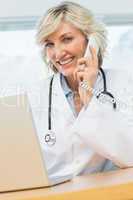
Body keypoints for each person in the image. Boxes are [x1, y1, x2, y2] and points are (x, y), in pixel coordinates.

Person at [27, 1, 133, 182]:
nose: (58, 53)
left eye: (66, 39)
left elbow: (129, 155)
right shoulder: (35, 95)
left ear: (90, 39)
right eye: (49, 44)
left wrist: (90, 98)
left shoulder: (125, 84)